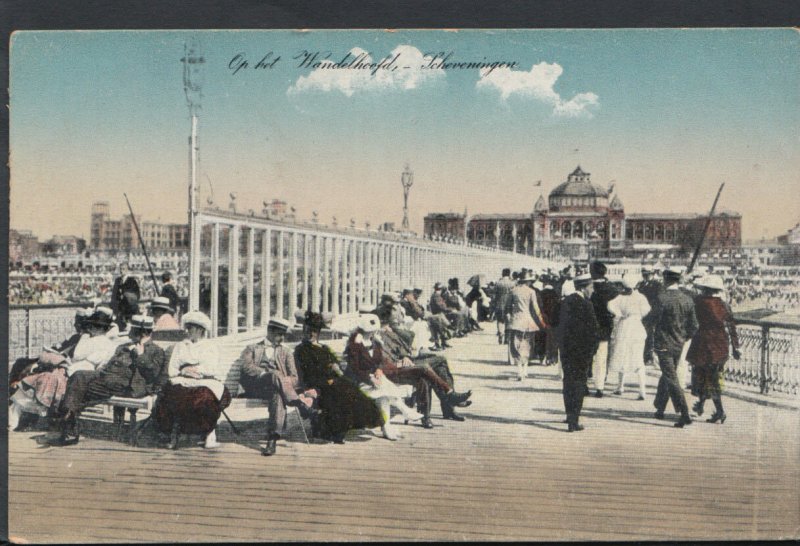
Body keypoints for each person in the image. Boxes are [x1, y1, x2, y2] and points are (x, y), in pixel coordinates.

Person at [50, 315, 168, 446]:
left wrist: (140, 356)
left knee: (79, 389)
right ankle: (69, 417)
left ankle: (68, 422)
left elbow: (153, 374)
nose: (129, 333)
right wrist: (99, 372)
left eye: (132, 330)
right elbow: (109, 364)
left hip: (127, 384)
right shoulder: (124, 346)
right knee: (79, 375)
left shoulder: (156, 350)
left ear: (142, 332)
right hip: (106, 376)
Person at [9, 308, 112, 431]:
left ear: (100, 328)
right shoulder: (95, 340)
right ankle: (18, 419)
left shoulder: (100, 342)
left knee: (44, 378)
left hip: (80, 374)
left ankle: (19, 420)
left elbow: (80, 355)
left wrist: (82, 340)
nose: (90, 329)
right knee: (42, 376)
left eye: (93, 326)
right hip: (75, 370)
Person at [294, 311, 384, 444]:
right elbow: (306, 372)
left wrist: (337, 371)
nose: (310, 334)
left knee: (352, 392)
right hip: (316, 383)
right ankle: (331, 430)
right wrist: (319, 384)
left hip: (332, 381)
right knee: (342, 391)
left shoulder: (324, 348)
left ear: (318, 332)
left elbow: (335, 365)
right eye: (307, 330)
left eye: (313, 331)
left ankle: (335, 430)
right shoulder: (301, 349)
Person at [375, 308, 472, 425]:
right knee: (425, 373)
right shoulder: (378, 339)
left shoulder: (389, 334)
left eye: (388, 324)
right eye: (386, 324)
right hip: (395, 370)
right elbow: (384, 363)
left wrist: (406, 357)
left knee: (440, 360)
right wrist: (402, 361)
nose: (388, 327)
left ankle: (447, 403)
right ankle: (448, 401)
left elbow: (404, 348)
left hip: (405, 364)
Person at [154, 311, 232, 449]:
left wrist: (197, 370)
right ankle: (174, 433)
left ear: (200, 330)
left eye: (191, 328)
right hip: (182, 379)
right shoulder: (181, 346)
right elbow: (172, 369)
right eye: (187, 327)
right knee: (173, 395)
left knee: (204, 397)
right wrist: (183, 371)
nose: (187, 330)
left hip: (205, 381)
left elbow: (212, 368)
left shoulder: (210, 346)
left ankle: (209, 432)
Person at [239, 318, 317, 456]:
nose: (281, 338)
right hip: (256, 387)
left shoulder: (286, 352)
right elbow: (246, 367)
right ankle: (299, 404)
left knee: (278, 395)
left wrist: (282, 380)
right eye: (278, 334)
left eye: (283, 335)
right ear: (269, 331)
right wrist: (266, 373)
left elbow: (295, 378)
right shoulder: (252, 348)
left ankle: (272, 439)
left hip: (278, 390)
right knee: (274, 375)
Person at [344, 315, 425, 440]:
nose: (373, 333)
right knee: (384, 391)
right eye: (370, 331)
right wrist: (370, 378)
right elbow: (354, 369)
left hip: (375, 381)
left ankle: (388, 426)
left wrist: (378, 370)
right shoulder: (354, 345)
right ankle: (404, 412)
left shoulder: (375, 342)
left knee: (384, 396)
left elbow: (379, 362)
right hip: (358, 381)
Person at [687, 275, 740, 424]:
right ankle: (703, 405)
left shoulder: (697, 302)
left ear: (704, 289)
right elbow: (731, 326)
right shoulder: (724, 305)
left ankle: (719, 411)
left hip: (702, 344)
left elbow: (691, 321)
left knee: (703, 376)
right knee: (712, 376)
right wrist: (736, 347)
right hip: (720, 345)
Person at [651, 266, 699, 428]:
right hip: (679, 343)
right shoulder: (687, 299)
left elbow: (652, 320)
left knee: (671, 378)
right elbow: (694, 326)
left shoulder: (661, 298)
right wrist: (683, 337)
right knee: (667, 374)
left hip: (663, 343)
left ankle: (684, 413)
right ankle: (660, 407)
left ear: (665, 279)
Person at [557, 273, 599, 432]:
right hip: (582, 352)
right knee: (580, 383)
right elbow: (593, 330)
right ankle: (574, 421)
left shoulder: (565, 302)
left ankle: (569, 415)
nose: (593, 290)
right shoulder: (586, 304)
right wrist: (592, 350)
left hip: (567, 350)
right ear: (584, 287)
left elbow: (556, 325)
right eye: (591, 287)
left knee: (568, 381)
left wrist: (562, 345)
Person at [607, 278, 651, 400]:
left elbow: (610, 305)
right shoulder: (641, 297)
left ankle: (620, 386)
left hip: (624, 326)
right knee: (638, 357)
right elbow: (647, 310)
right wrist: (638, 315)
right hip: (636, 326)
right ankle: (642, 390)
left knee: (622, 354)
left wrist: (619, 314)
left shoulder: (620, 297)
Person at [505, 270, 547, 381]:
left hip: (516, 321)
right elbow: (536, 309)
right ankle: (525, 370)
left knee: (516, 346)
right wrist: (542, 322)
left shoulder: (513, 291)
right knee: (527, 345)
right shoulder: (531, 292)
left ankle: (519, 371)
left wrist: (509, 318)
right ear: (528, 281)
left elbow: (507, 308)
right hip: (528, 322)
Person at [589, 261, 619, 398]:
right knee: (602, 357)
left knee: (587, 356)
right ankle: (600, 386)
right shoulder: (612, 289)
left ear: (592, 272)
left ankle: (585, 383)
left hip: (589, 326)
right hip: (606, 327)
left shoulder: (588, 288)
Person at [637, 266, 664, 366]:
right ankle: (644, 355)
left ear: (652, 274)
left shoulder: (657, 285)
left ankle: (648, 357)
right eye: (644, 274)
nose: (645, 276)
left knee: (650, 335)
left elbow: (658, 301)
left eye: (647, 274)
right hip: (642, 314)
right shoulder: (641, 285)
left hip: (652, 314)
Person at [111, 263, 140, 330]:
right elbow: (114, 294)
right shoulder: (117, 280)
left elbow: (137, 295)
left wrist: (127, 297)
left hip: (129, 309)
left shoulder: (132, 281)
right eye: (120, 269)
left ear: (127, 270)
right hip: (120, 309)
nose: (121, 271)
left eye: (123, 269)